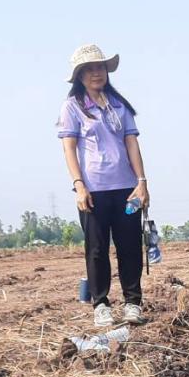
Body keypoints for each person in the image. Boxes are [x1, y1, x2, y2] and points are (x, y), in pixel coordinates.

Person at [57, 44, 150, 327]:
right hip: (93, 190)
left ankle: (133, 303)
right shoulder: (72, 107)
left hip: (126, 189)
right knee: (96, 249)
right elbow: (69, 149)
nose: (96, 73)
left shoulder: (120, 106)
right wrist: (79, 185)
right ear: (80, 76)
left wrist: (142, 182)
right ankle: (100, 304)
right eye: (89, 69)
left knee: (130, 246)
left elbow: (131, 144)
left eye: (100, 67)